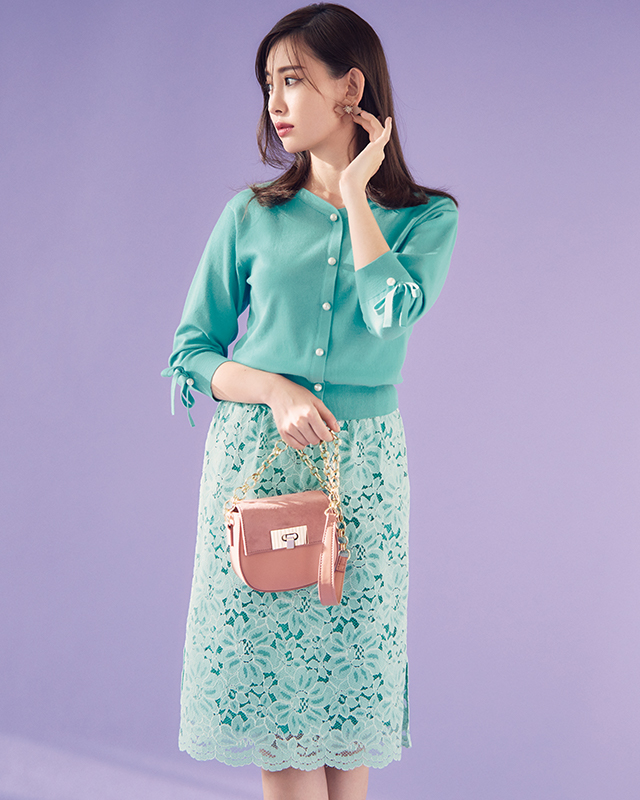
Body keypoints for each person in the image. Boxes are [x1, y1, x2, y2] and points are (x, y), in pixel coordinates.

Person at [161, 3, 458, 798]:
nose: (275, 103)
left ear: (350, 89)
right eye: (268, 85)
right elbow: (191, 353)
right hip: (259, 466)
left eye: (292, 80)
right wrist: (273, 388)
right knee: (280, 713)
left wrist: (356, 194)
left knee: (348, 699)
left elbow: (391, 312)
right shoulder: (250, 215)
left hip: (363, 474)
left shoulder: (428, 218)